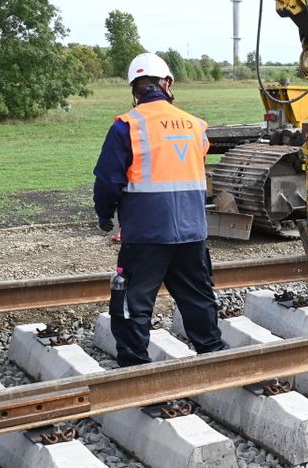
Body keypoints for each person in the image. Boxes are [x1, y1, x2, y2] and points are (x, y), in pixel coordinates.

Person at [92, 52, 228, 369]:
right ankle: (214, 355)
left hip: (146, 234)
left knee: (132, 301)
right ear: (166, 83)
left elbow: (108, 180)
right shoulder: (196, 126)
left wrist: (104, 214)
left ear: (134, 90)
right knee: (197, 295)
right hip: (193, 232)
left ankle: (135, 364)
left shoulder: (127, 126)